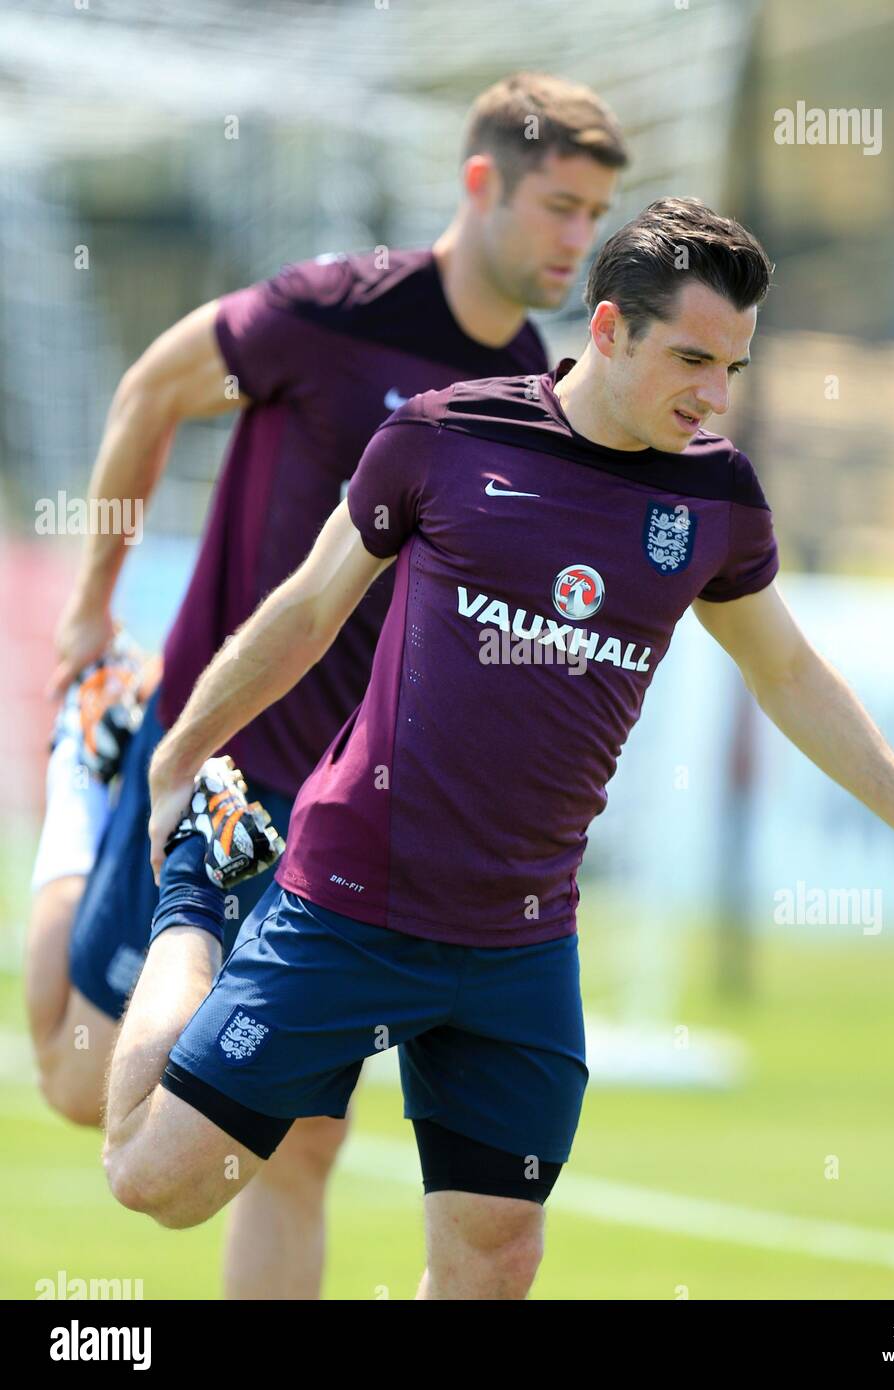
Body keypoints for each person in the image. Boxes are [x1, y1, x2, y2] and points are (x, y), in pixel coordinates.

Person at [102, 197, 894, 1301]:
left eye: (732, 367)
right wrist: (180, 749)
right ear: (611, 328)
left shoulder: (712, 493)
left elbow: (788, 673)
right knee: (153, 1181)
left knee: (496, 1257)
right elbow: (306, 609)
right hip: (351, 902)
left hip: (521, 942)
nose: (712, 393)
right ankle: (197, 891)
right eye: (689, 357)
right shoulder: (443, 435)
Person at [24, 70, 627, 1299]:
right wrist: (93, 605)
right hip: (213, 761)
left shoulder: (529, 382)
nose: (580, 241)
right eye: (560, 208)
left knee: (298, 1150)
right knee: (85, 1084)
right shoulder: (331, 314)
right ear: (482, 186)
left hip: (343, 825)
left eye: (594, 213)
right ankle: (78, 788)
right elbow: (152, 386)